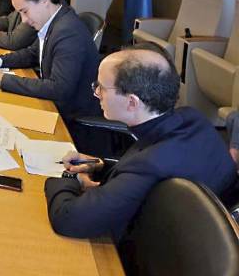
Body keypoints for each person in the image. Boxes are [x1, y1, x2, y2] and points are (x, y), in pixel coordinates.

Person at [44, 44, 237, 241]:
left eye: (101, 87)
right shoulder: (191, 119)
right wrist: (99, 166)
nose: (96, 93)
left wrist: (67, 179)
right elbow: (142, 175)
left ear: (132, 102)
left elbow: (68, 219)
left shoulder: (150, 165)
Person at [0, 0, 107, 154]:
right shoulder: (56, 20)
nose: (24, 20)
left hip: (72, 120)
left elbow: (59, 88)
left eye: (25, 11)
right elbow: (33, 53)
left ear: (44, 2)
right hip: (55, 106)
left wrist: (4, 80)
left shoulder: (67, 32)